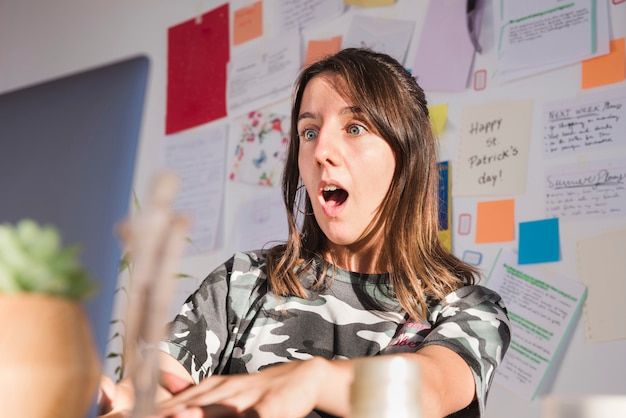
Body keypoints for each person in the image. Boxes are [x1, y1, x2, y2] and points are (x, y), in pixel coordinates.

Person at [99, 47, 511, 418]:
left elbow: (430, 391)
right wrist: (121, 400)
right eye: (309, 132)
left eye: (354, 128)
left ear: (405, 156)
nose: (320, 152)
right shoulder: (241, 283)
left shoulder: (465, 309)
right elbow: (159, 383)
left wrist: (310, 380)